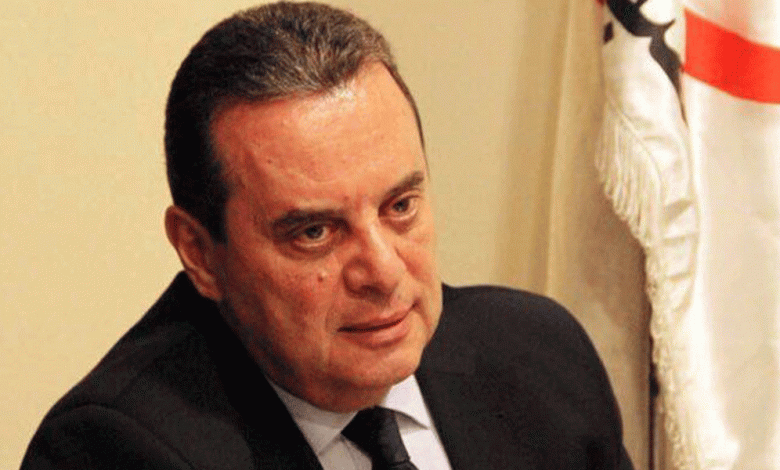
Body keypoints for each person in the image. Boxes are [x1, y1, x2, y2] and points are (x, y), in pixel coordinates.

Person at [21, 2, 633, 469]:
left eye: (400, 206)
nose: (383, 272)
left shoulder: (540, 355)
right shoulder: (113, 450)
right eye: (314, 232)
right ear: (200, 253)